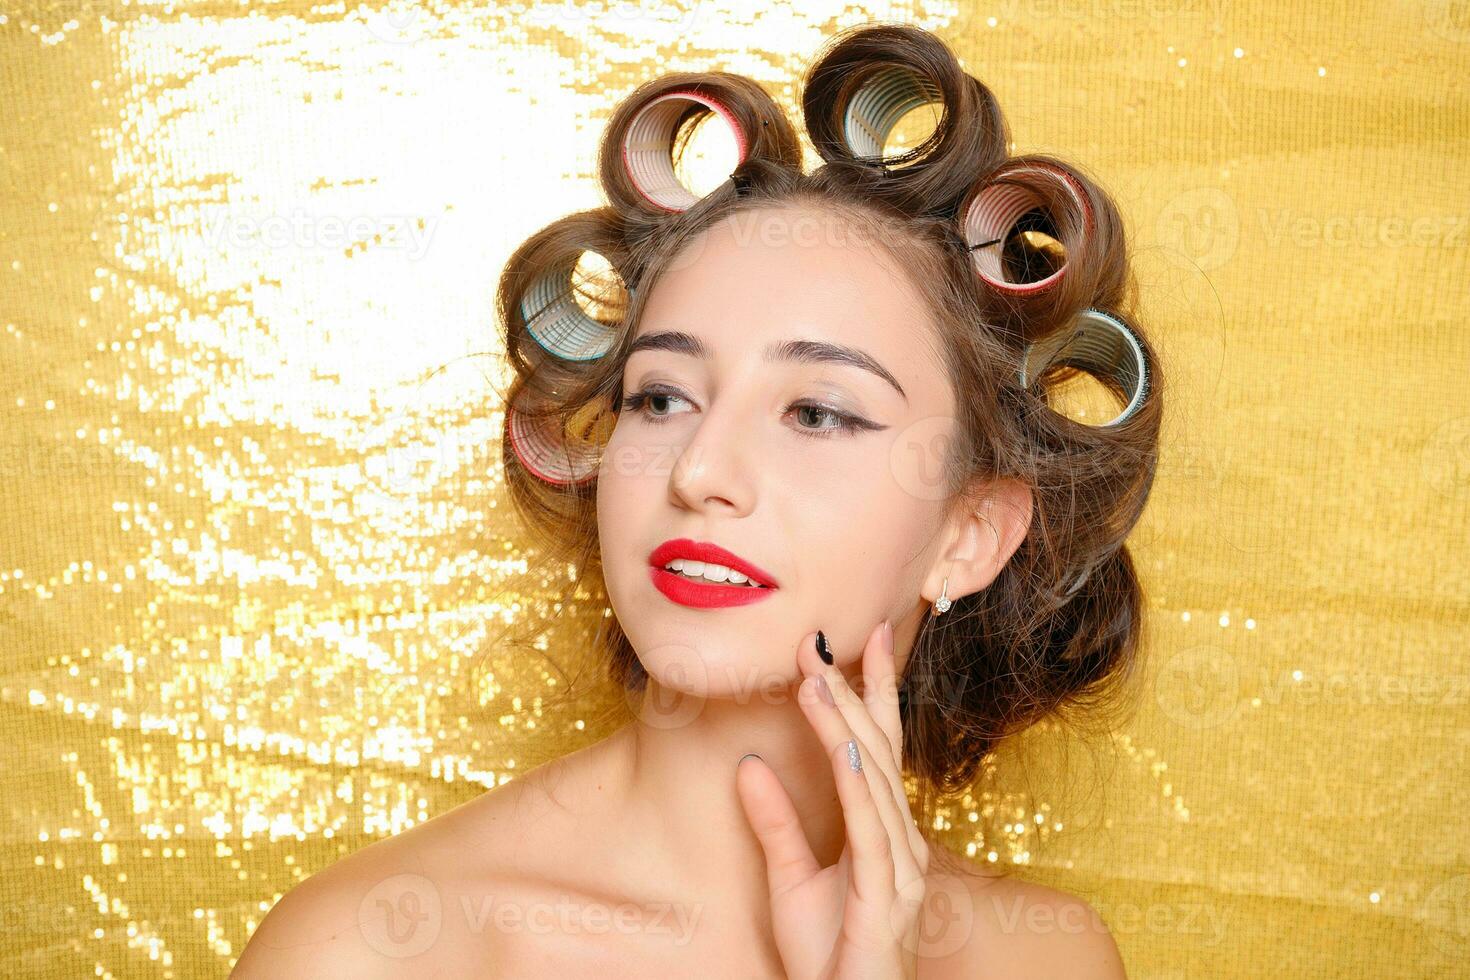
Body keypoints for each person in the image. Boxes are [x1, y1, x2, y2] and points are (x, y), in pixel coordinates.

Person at [233, 21, 1160, 978]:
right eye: (662, 397)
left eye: (816, 413)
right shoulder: (373, 948)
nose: (699, 470)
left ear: (970, 535)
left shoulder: (1041, 959)